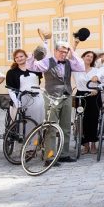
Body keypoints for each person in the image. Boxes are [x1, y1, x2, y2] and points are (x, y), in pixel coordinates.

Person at [25, 29, 85, 164]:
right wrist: (34, 54)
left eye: (65, 52)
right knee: (51, 127)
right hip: (51, 96)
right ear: (56, 51)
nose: (63, 54)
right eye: (61, 52)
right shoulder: (48, 61)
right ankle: (50, 156)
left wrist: (72, 53)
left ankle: (64, 154)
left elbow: (81, 66)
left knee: (66, 127)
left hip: (67, 95)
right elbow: (31, 66)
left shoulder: (70, 62)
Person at [72, 50, 104, 155]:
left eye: (91, 57)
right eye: (87, 56)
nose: (89, 58)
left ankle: (93, 144)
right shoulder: (76, 70)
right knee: (82, 120)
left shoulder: (96, 70)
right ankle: (85, 144)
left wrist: (97, 89)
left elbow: (103, 82)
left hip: (93, 95)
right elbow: (71, 56)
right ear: (82, 57)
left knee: (93, 119)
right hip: (81, 95)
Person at [4, 49, 43, 131]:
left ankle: (37, 140)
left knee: (38, 119)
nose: (19, 58)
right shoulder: (11, 72)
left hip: (37, 99)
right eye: (16, 57)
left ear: (26, 57)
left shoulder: (35, 69)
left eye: (21, 56)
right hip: (21, 99)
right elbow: (10, 89)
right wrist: (16, 102)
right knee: (21, 123)